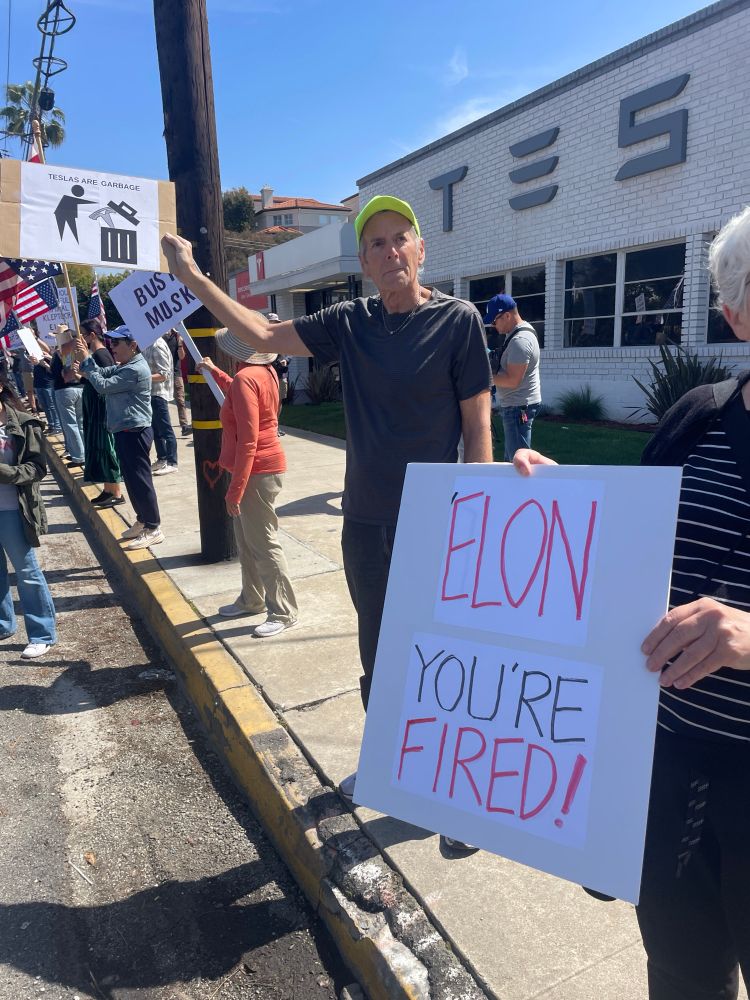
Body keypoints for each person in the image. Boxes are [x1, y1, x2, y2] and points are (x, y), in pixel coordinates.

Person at [162, 194, 492, 835]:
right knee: (379, 650)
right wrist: (193, 277)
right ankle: (395, 765)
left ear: (421, 251)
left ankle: (450, 784)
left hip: (438, 525)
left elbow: (477, 427)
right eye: (377, 243)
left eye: (402, 239)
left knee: (442, 656)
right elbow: (258, 335)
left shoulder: (460, 322)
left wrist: (479, 518)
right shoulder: (351, 321)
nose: (391, 251)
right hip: (366, 520)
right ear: (365, 260)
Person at [514, 206, 750, 999]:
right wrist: (557, 507)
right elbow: (628, 554)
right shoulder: (700, 419)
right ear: (733, 314)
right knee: (684, 979)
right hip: (671, 774)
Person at [197, 324, 298, 637]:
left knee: (263, 543)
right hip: (262, 467)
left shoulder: (246, 377)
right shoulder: (263, 371)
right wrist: (215, 372)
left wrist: (235, 490)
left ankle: (283, 611)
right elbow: (240, 397)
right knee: (248, 540)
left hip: (256, 470)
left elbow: (248, 441)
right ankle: (252, 598)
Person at [74, 327, 164, 551]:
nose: (112, 348)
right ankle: (143, 520)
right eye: (111, 343)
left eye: (116, 344)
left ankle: (153, 527)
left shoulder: (134, 369)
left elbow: (103, 386)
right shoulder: (127, 365)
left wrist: (87, 361)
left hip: (134, 431)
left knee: (141, 481)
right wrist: (87, 360)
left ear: (132, 345)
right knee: (132, 480)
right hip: (125, 430)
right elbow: (103, 374)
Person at [0, 376, 56, 659]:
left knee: (27, 572)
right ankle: (3, 625)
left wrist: (5, 473)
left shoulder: (24, 424)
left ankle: (42, 634)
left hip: (13, 511)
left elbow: (36, 469)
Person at [485, 294, 542, 461]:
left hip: (518, 408)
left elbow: (512, 380)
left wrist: (484, 376)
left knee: (517, 461)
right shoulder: (516, 334)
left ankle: (519, 488)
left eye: (494, 321)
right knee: (512, 458)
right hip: (517, 406)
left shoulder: (520, 340)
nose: (493, 326)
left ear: (507, 315)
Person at [79, 319, 124, 509]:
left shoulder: (102, 355)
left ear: (92, 335)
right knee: (99, 448)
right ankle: (108, 488)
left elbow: (105, 380)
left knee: (107, 448)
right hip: (94, 406)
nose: (79, 337)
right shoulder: (94, 354)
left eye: (82, 333)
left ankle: (116, 491)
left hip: (102, 407)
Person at [141, 335, 178, 476]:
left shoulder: (157, 345)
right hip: (150, 393)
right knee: (155, 430)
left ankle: (172, 462)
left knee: (165, 429)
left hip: (158, 394)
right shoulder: (147, 344)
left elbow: (164, 374)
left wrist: (141, 377)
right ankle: (162, 458)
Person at [49, 325, 85, 468]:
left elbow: (64, 373)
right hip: (80, 388)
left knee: (71, 424)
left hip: (66, 390)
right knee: (81, 423)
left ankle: (78, 456)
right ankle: (84, 453)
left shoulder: (63, 351)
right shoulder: (78, 349)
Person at [163, 327, 192, 436]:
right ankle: (165, 426)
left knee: (180, 399)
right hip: (163, 373)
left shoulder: (176, 336)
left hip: (176, 372)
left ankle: (184, 425)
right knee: (163, 400)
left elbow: (182, 356)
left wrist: (180, 343)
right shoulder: (159, 338)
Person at [31, 335, 61, 433]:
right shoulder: (35, 355)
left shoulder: (49, 354)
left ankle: (57, 426)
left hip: (48, 383)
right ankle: (52, 425)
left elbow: (46, 348)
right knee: (44, 406)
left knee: (51, 405)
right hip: (38, 383)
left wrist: (34, 337)